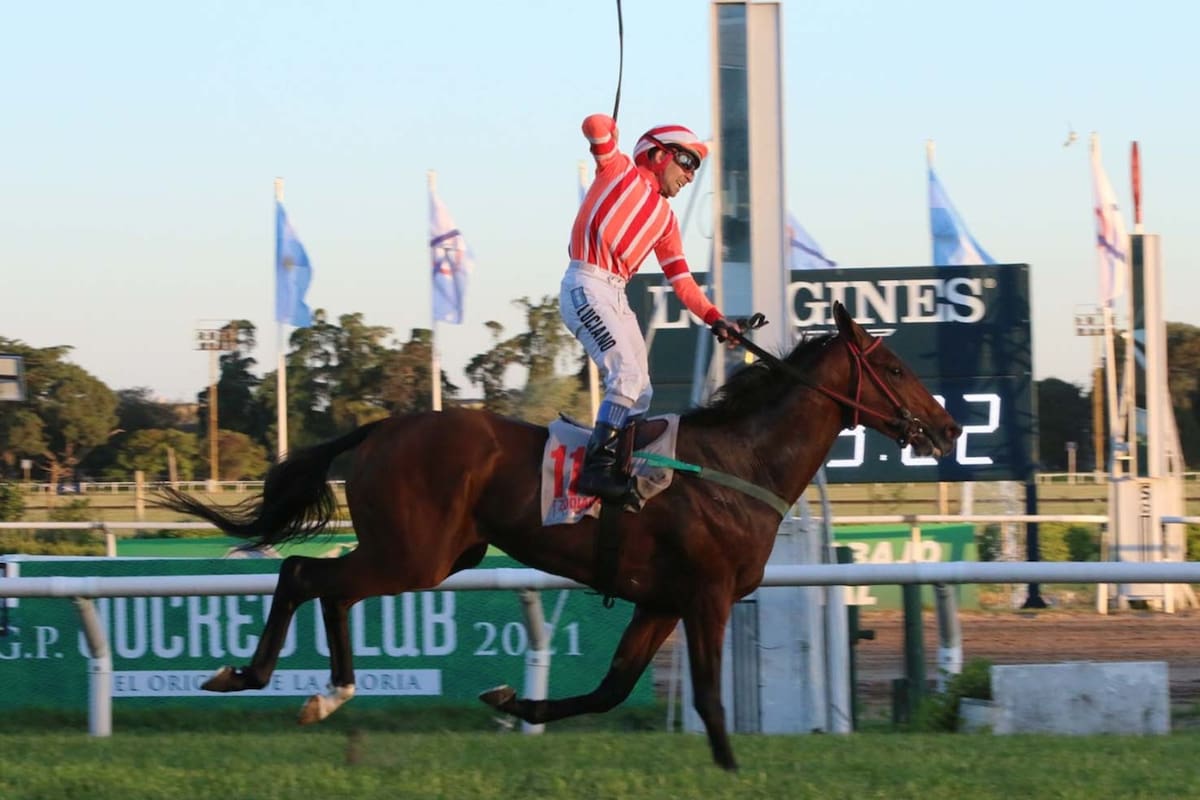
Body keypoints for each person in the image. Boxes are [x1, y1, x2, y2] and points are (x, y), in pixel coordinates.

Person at [560, 113, 741, 503]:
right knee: (625, 375)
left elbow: (683, 283)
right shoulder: (618, 168)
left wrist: (715, 318)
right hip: (586, 283)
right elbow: (593, 126)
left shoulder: (666, 221)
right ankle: (595, 469)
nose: (690, 175)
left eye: (696, 167)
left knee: (641, 390)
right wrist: (607, 130)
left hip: (616, 294)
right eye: (688, 162)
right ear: (659, 155)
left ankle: (620, 470)